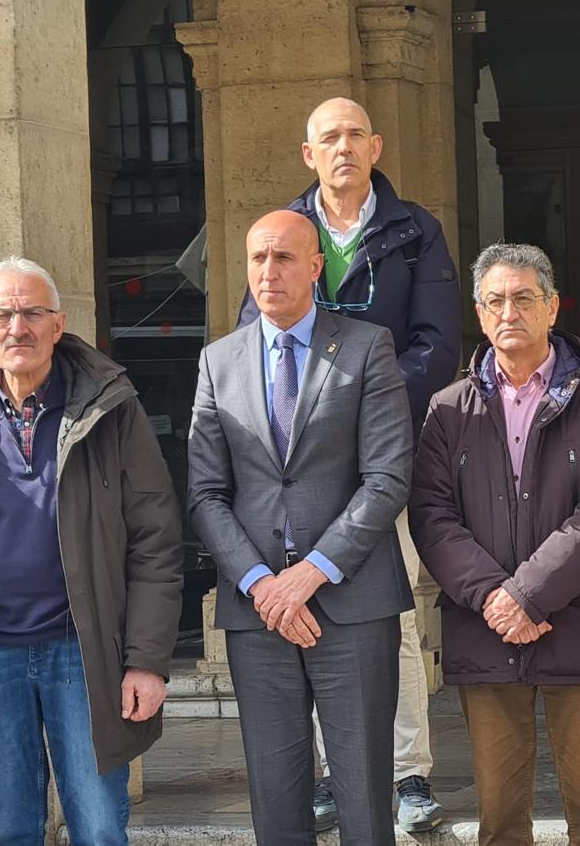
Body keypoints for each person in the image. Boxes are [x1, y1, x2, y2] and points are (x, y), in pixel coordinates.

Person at [0, 257, 184, 844]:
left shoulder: (112, 407)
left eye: (33, 313)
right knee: (13, 829)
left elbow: (156, 541)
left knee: (100, 825)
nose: (18, 327)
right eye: (3, 315)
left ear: (59, 325)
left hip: (84, 655)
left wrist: (148, 659)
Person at [239, 96, 459, 832]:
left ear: (377, 147)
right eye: (327, 137)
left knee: (382, 616)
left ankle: (406, 771)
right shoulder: (286, 235)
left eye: (354, 136)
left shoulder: (413, 230)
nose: (341, 148)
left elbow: (438, 340)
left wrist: (373, 407)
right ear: (308, 154)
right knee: (305, 615)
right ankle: (335, 773)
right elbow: (251, 341)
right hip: (295, 461)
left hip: (380, 456)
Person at [189, 210, 414, 845]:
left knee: (365, 794)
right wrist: (264, 584)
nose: (269, 272)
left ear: (316, 268)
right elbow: (205, 494)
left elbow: (388, 478)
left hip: (351, 602)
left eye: (284, 258)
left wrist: (309, 574)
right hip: (257, 612)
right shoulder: (218, 362)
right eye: (258, 258)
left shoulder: (367, 347)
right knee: (275, 794)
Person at [410, 243, 580, 845]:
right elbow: (432, 514)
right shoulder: (447, 410)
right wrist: (494, 597)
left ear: (553, 308)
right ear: (480, 316)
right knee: (500, 817)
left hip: (578, 623)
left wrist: (529, 596)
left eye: (524, 298)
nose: (509, 311)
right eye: (495, 301)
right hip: (485, 628)